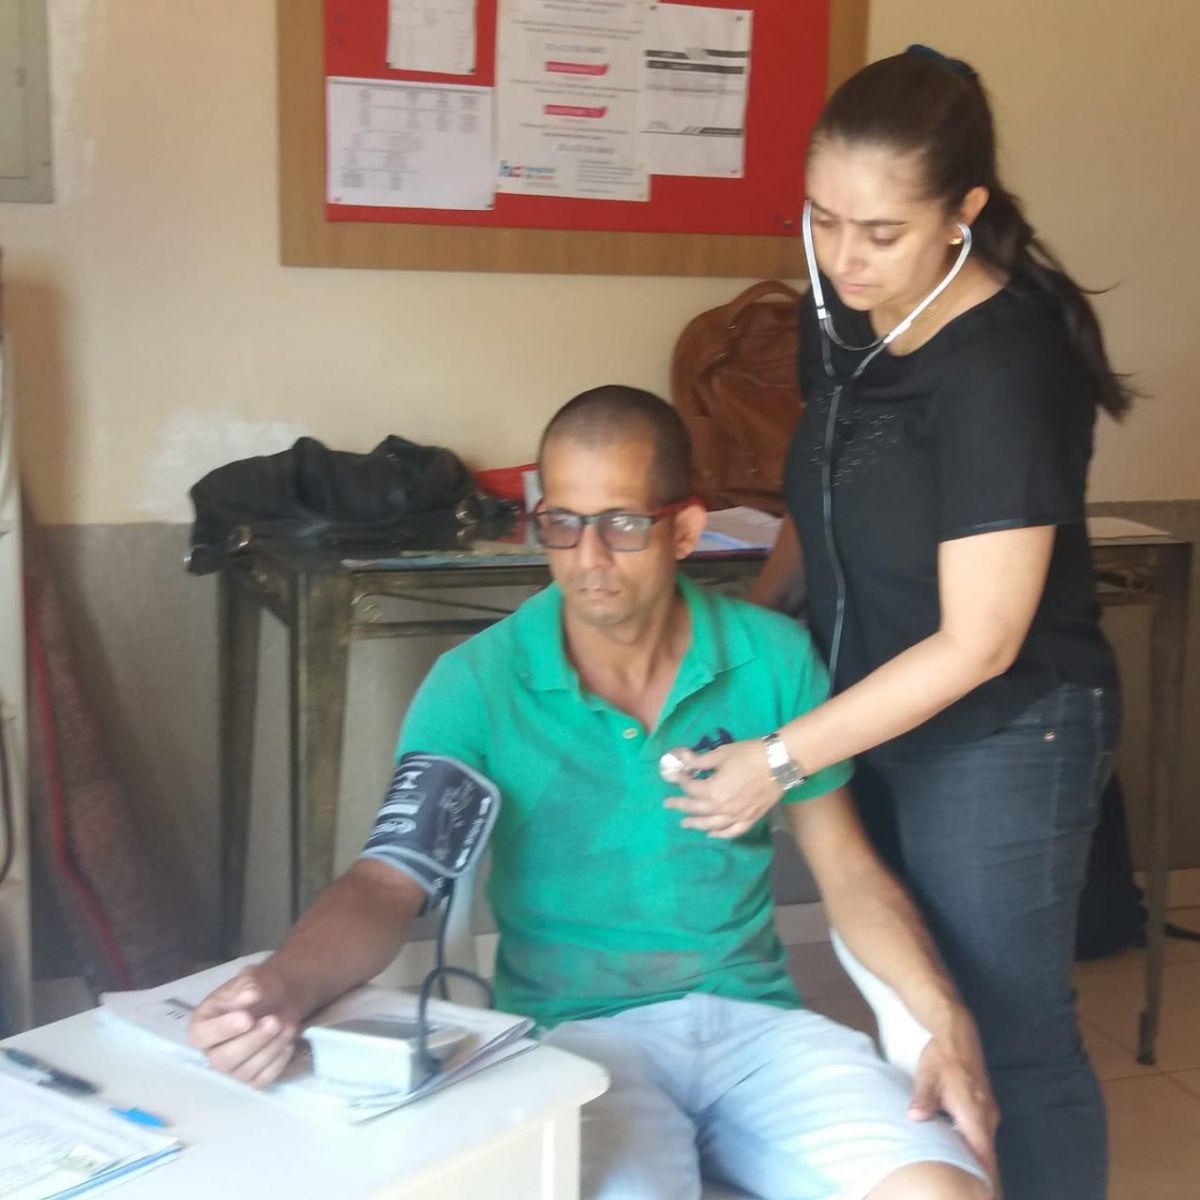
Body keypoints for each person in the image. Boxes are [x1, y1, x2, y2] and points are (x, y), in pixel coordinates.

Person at [189, 387, 995, 1200]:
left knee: (943, 1193)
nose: (588, 557)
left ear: (684, 529)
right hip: (577, 1044)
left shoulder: (772, 657)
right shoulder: (478, 683)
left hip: (760, 1033)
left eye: (623, 523)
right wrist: (285, 986)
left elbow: (848, 871)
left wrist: (945, 1018)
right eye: (564, 522)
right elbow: (386, 883)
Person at [666, 48, 1126, 1200]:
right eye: (822, 220)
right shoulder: (845, 314)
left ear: (964, 210)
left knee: (1008, 1031)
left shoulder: (1004, 364)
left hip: (1000, 732)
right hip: (867, 705)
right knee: (911, 1007)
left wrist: (782, 758)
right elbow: (821, 500)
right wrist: (741, 635)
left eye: (881, 231)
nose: (843, 257)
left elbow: (982, 642)